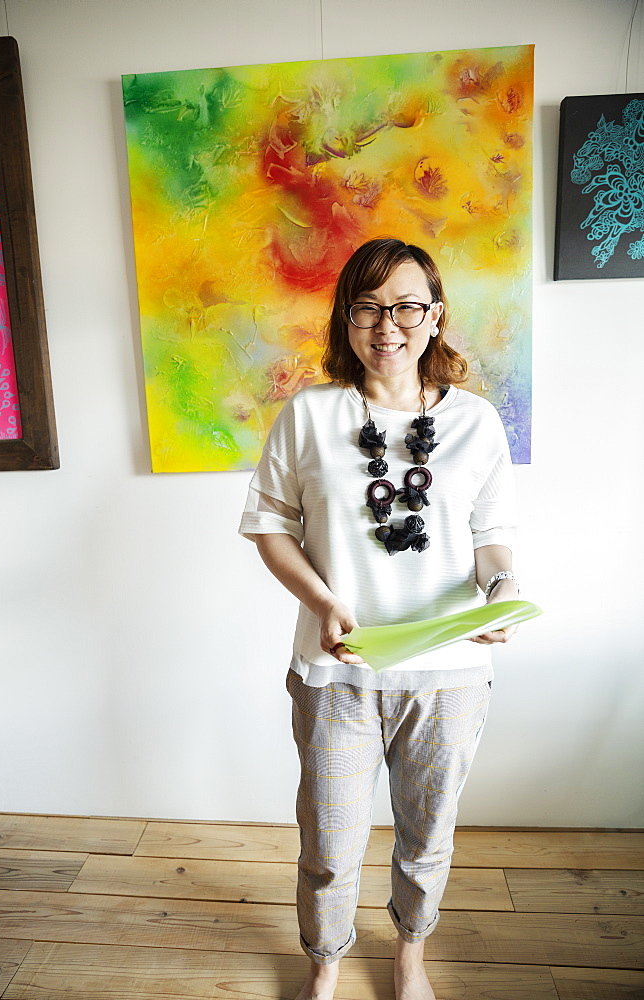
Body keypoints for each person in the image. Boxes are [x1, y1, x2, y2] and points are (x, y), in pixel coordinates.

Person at [239, 237, 519, 1000]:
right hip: (337, 672)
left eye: (403, 306)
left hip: (451, 674)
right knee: (329, 842)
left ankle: (409, 957)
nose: (385, 324)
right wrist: (325, 602)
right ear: (345, 318)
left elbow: (492, 538)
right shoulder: (310, 414)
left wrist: (502, 591)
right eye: (365, 306)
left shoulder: (477, 423)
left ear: (435, 317)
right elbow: (269, 525)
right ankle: (325, 963)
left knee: (427, 840)